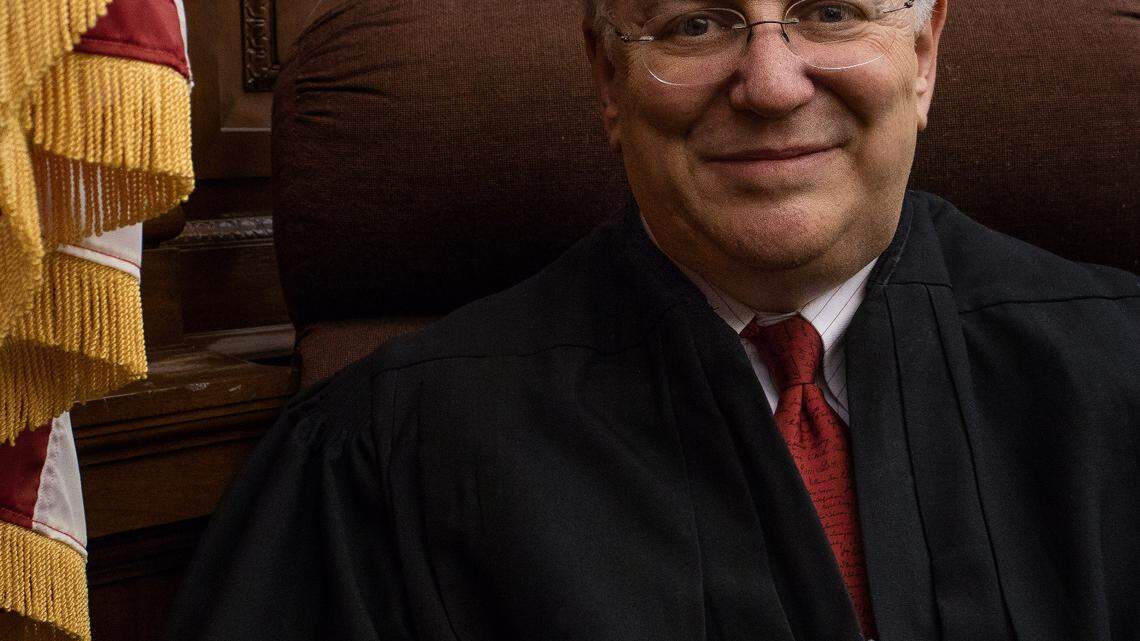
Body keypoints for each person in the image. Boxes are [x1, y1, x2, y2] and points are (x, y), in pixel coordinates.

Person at [165, 0, 1140, 639]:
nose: (770, 84)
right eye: (695, 23)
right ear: (607, 81)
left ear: (922, 57)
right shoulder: (391, 453)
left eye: (832, 12)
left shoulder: (1122, 376)